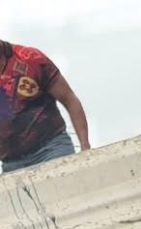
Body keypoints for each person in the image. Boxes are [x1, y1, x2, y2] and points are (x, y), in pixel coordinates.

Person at [1, 40, 89, 173]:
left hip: (52, 149)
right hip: (11, 163)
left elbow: (69, 99)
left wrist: (85, 148)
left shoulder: (29, 58)